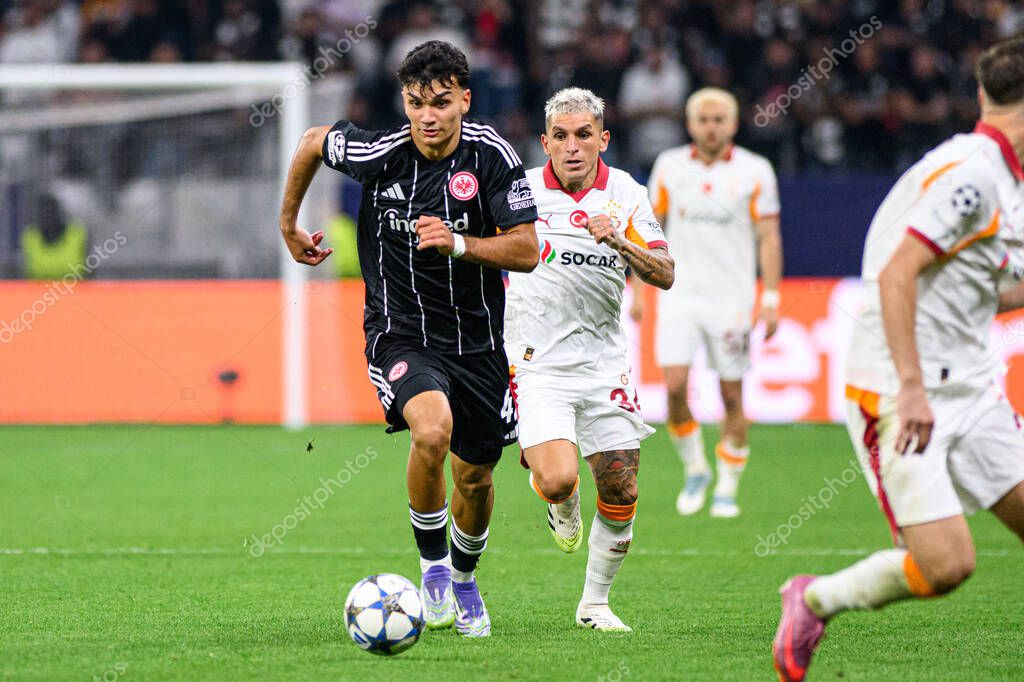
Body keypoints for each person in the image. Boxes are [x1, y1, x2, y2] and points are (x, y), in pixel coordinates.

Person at [772, 36, 1024, 682]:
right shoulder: (972, 178)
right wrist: (910, 387)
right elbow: (895, 274)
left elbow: (983, 282)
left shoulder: (1001, 176)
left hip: (973, 385)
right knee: (946, 567)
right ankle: (814, 598)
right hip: (898, 391)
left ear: (980, 96)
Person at [277, 40, 539, 638]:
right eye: (417, 102)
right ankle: (435, 570)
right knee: (432, 429)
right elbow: (313, 140)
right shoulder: (383, 154)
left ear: (464, 101)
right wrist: (288, 223)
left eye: (441, 102)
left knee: (475, 477)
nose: (428, 115)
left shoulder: (492, 156)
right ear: (405, 101)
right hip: (400, 336)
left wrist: (460, 242)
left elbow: (526, 248)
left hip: (479, 345)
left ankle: (467, 579)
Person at [505, 87, 674, 631]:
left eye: (583, 135)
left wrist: (621, 244)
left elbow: (665, 273)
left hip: (604, 364)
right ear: (544, 141)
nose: (572, 147)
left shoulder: (625, 193)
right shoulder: (520, 192)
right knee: (557, 479)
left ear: (603, 138)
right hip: (536, 361)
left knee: (622, 486)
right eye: (560, 136)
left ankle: (595, 605)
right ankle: (561, 502)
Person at [634, 87, 782, 518]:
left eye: (719, 119)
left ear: (733, 124)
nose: (711, 126)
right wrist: (640, 289)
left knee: (732, 397)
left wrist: (770, 297)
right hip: (678, 296)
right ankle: (695, 466)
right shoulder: (669, 165)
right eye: (704, 119)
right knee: (675, 387)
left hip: (732, 300)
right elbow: (647, 229)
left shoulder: (756, 171)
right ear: (690, 123)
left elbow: (769, 236)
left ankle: (727, 488)